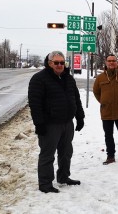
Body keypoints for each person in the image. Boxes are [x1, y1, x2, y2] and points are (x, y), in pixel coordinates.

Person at [28, 51, 85, 193]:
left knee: (66, 152)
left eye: (62, 62)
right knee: (48, 155)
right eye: (56, 62)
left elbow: (76, 99)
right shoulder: (39, 79)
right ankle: (45, 184)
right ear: (49, 63)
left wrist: (80, 117)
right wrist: (39, 124)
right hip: (49, 125)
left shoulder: (69, 78)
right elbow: (35, 104)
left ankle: (63, 177)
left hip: (67, 123)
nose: (60, 65)